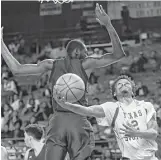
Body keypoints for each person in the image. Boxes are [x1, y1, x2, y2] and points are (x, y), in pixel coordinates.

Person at [1, 4, 126, 160]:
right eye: (85, 51)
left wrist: (1, 43)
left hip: (57, 121)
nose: (87, 54)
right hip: (78, 119)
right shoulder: (85, 64)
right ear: (76, 52)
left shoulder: (49, 64)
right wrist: (108, 24)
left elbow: (16, 69)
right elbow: (118, 55)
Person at [54, 75, 158, 160]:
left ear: (132, 91)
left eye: (126, 84)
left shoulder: (146, 106)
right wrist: (64, 104)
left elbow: (154, 134)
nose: (123, 85)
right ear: (114, 93)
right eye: (119, 84)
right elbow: (87, 110)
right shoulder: (112, 108)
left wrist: (136, 133)